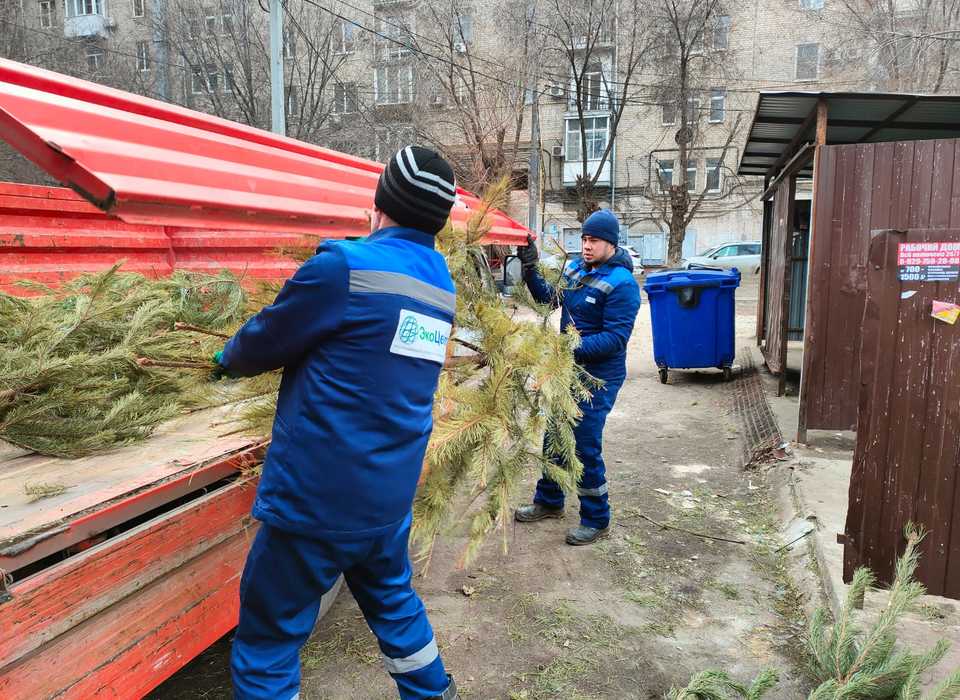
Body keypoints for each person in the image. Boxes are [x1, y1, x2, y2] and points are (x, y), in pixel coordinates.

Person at [215, 146, 460, 700]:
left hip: (315, 504)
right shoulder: (440, 286)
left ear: (380, 205)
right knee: (395, 606)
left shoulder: (344, 267)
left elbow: (265, 340)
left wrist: (225, 360)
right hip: (387, 498)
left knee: (268, 638)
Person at [514, 209, 641, 545]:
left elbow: (615, 339)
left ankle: (597, 519)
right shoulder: (574, 269)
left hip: (600, 376)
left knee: (583, 443)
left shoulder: (622, 284)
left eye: (593, 240)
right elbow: (548, 298)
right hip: (568, 368)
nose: (586, 245)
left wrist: (567, 346)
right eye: (584, 239)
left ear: (610, 243)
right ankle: (550, 501)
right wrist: (529, 268)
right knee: (554, 433)